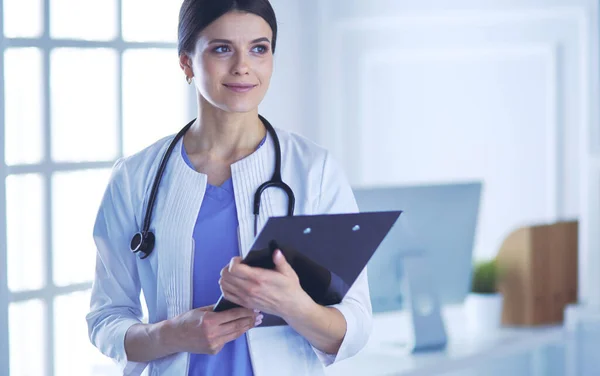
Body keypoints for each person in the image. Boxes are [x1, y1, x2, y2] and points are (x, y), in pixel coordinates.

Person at [86, 0, 372, 375]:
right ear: (186, 62)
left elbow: (355, 325)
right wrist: (171, 335)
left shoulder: (314, 171)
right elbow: (106, 318)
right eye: (222, 49)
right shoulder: (135, 177)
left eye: (259, 48)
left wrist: (293, 304)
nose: (243, 66)